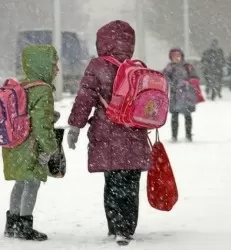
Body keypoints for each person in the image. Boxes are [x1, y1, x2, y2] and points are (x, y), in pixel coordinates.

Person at [66, 20, 151, 246]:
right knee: (131, 185)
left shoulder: (97, 66)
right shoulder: (138, 67)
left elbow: (85, 98)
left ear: (101, 42)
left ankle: (115, 228)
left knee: (112, 183)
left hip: (107, 134)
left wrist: (75, 125)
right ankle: (127, 229)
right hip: (134, 134)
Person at [2, 45, 59, 241]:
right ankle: (25, 226)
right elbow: (41, 124)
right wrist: (51, 148)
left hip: (15, 143)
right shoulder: (43, 89)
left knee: (20, 182)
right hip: (32, 144)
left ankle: (12, 224)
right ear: (42, 66)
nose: (57, 70)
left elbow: (27, 113)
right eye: (53, 65)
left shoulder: (21, 86)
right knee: (32, 183)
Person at [163, 48, 199, 142]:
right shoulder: (169, 67)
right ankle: (174, 136)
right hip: (175, 94)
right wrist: (172, 83)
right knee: (175, 115)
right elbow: (165, 78)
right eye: (174, 56)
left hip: (186, 94)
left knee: (187, 115)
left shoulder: (187, 66)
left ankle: (188, 135)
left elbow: (194, 77)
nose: (176, 58)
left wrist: (188, 83)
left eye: (178, 56)